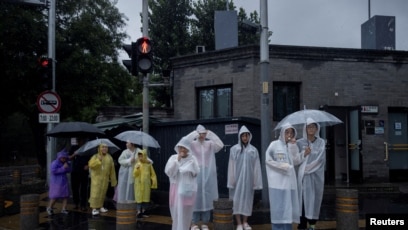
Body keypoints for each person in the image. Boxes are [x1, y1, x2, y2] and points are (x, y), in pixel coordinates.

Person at [188, 124, 224, 230]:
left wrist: (210, 134)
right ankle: (194, 222)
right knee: (195, 195)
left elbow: (220, 145)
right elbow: (183, 142)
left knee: (207, 196)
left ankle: (205, 222)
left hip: (208, 173)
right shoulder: (192, 144)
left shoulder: (210, 144)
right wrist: (194, 134)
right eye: (200, 133)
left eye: (203, 133)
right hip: (196, 173)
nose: (202, 135)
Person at [265, 123, 301, 230]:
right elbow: (268, 161)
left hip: (289, 185)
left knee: (287, 211)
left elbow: (295, 161)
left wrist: (294, 147)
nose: (289, 134)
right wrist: (283, 166)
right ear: (282, 132)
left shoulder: (292, 146)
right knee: (277, 211)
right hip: (277, 185)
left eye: (291, 132)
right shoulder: (274, 145)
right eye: (287, 132)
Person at [227, 125, 263, 230]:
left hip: (248, 180)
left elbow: (256, 167)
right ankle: (238, 223)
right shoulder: (234, 149)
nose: (245, 138)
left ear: (249, 137)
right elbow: (231, 166)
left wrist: (256, 181)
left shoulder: (253, 150)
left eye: (246, 136)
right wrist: (231, 180)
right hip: (237, 181)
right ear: (240, 137)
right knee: (236, 201)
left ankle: (245, 222)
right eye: (243, 136)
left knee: (247, 201)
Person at [296, 118, 326, 230]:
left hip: (316, 176)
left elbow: (320, 159)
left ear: (317, 128)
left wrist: (307, 168)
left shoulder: (321, 142)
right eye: (309, 127)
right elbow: (295, 159)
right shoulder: (300, 143)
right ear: (305, 129)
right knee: (303, 199)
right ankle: (302, 224)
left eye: (313, 127)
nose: (311, 129)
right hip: (303, 178)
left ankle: (312, 224)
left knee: (315, 199)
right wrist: (304, 153)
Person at [165, 136, 200, 230]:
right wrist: (178, 161)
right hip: (175, 189)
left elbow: (196, 173)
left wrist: (191, 168)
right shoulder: (173, 158)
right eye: (180, 147)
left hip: (187, 189)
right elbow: (169, 172)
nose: (182, 149)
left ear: (188, 149)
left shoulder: (193, 159)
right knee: (176, 213)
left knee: (186, 212)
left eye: (184, 147)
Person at [88, 142, 118, 216]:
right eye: (103, 147)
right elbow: (91, 165)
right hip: (96, 179)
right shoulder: (95, 156)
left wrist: (113, 181)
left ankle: (101, 206)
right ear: (99, 148)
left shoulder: (109, 157)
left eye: (106, 147)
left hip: (105, 179)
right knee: (95, 193)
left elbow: (112, 170)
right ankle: (94, 208)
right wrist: (98, 160)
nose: (104, 148)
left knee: (103, 193)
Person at [133, 148, 158, 218]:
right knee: (139, 199)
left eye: (142, 156)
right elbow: (134, 175)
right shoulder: (137, 164)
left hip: (146, 185)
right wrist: (137, 169)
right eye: (139, 156)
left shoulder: (148, 165)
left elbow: (153, 174)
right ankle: (138, 212)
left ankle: (144, 211)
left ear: (145, 156)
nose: (140, 157)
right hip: (138, 184)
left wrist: (154, 183)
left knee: (145, 199)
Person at [47, 149, 71, 215]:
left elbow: (69, 170)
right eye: (62, 158)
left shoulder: (65, 163)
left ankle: (64, 209)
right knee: (55, 196)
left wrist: (67, 166)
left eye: (65, 158)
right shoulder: (55, 163)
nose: (63, 159)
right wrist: (63, 168)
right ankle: (50, 207)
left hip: (63, 182)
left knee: (65, 196)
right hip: (56, 182)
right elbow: (53, 171)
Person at [68, 137, 90, 211]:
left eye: (80, 140)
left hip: (84, 171)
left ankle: (83, 205)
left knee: (84, 188)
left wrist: (88, 165)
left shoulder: (87, 148)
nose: (79, 142)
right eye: (78, 140)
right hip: (75, 170)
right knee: (75, 188)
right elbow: (69, 158)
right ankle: (76, 203)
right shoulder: (74, 147)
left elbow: (92, 159)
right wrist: (74, 154)